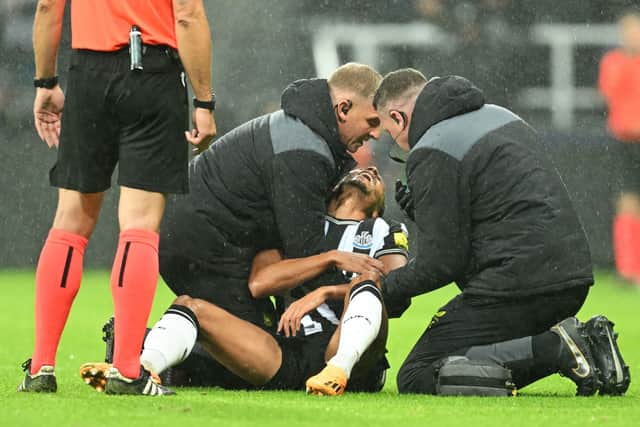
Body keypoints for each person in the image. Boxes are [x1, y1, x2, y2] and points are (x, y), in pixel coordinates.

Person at [373, 68, 631, 396]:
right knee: (461, 362)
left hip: (519, 286)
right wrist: (425, 210)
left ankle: (558, 347)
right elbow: (497, 214)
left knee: (419, 374)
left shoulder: (433, 148)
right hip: (569, 278)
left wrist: (379, 288)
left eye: (389, 133)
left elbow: (442, 263)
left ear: (397, 117)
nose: (399, 146)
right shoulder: (500, 116)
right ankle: (587, 347)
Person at [19, 0, 217, 396]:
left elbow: (46, 9)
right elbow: (187, 15)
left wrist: (45, 83)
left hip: (87, 72)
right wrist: (205, 102)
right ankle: (127, 370)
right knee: (140, 224)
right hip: (153, 72)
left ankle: (41, 367)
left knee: (70, 222)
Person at [80, 167, 409, 395]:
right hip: (289, 351)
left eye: (378, 177)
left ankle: (339, 370)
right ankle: (141, 370)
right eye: (356, 172)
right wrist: (329, 258)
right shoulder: (298, 222)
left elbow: (392, 289)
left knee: (367, 288)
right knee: (189, 306)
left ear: (378, 209)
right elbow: (260, 283)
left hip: (349, 353)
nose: (371, 173)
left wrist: (324, 292)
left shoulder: (384, 229)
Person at [158, 62, 383, 332]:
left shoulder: (304, 131)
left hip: (193, 239)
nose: (377, 134)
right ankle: (147, 356)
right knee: (256, 349)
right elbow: (306, 251)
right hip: (203, 247)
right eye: (372, 122)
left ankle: (162, 348)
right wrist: (363, 300)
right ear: (343, 109)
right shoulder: (305, 153)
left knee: (246, 339)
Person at [598, 9, 640, 285]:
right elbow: (609, 92)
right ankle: (628, 269)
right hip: (625, 140)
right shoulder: (614, 61)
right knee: (626, 203)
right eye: (627, 30)